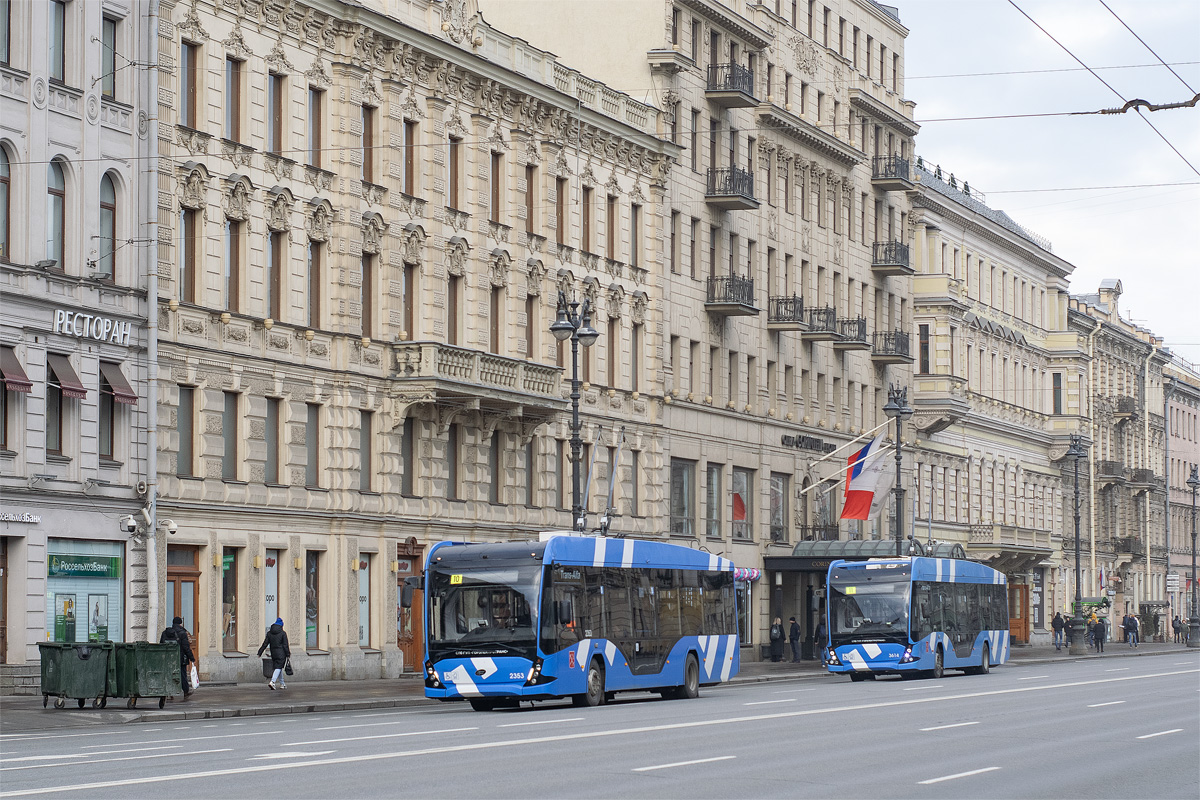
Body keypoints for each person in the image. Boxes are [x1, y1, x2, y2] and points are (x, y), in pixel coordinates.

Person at [160, 616, 195, 698]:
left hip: (168, 658)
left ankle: (169, 693)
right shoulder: (182, 633)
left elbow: (161, 645)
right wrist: (192, 658)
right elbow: (186, 647)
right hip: (180, 658)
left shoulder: (165, 633)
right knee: (182, 674)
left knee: (169, 674)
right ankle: (186, 691)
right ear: (180, 623)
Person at [257, 617, 292, 690]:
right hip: (281, 653)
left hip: (273, 653)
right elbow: (285, 645)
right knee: (278, 667)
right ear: (281, 626)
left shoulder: (269, 633)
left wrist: (260, 652)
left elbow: (265, 643)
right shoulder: (283, 633)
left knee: (278, 667)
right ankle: (272, 682)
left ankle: (282, 684)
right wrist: (288, 654)